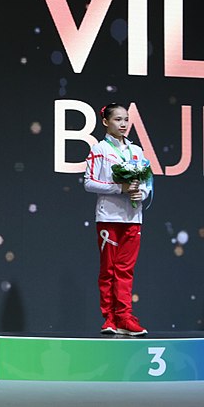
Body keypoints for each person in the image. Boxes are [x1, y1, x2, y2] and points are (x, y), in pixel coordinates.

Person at [83, 103, 151, 336]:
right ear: (105, 122)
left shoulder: (137, 151)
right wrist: (119, 189)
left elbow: (147, 182)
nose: (123, 124)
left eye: (126, 119)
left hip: (133, 217)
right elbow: (89, 183)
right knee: (109, 270)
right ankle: (109, 318)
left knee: (125, 270)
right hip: (109, 217)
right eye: (117, 119)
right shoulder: (99, 149)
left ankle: (125, 317)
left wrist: (142, 193)